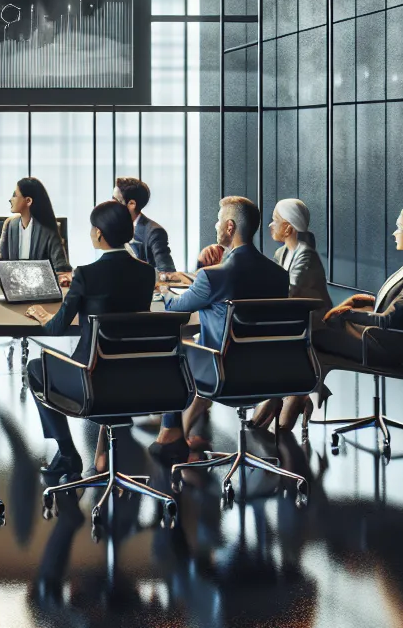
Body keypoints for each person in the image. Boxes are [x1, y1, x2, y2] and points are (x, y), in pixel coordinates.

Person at [22, 200, 156, 476]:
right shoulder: (146, 272)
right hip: (137, 379)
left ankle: (68, 453)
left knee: (35, 370)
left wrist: (41, 315)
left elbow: (57, 327)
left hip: (89, 380)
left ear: (99, 234)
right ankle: (106, 445)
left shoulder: (86, 274)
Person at [152, 196, 288, 459]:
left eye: (218, 220)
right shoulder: (279, 275)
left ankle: (169, 432)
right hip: (270, 373)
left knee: (173, 350)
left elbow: (176, 308)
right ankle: (189, 430)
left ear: (229, 227)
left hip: (224, 373)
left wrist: (165, 289)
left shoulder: (213, 276)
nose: (214, 225)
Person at [310, 204, 403, 362]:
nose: (395, 233)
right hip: (384, 340)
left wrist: (345, 314)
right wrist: (360, 301)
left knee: (317, 337)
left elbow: (388, 319)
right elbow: (393, 305)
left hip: (389, 348)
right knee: (321, 332)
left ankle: (314, 384)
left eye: (399, 227)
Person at [250, 198, 330, 430]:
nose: (270, 226)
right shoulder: (281, 252)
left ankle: (286, 394)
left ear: (289, 227)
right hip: (292, 320)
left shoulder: (306, 255)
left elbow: (289, 292)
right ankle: (290, 394)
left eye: (275, 221)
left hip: (311, 324)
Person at [0, 176, 71, 280]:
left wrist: (63, 278)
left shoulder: (48, 229)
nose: (10, 200)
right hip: (13, 285)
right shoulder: (10, 224)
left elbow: (61, 268)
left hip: (41, 287)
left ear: (28, 201)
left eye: (15, 195)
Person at [113, 177, 176, 274]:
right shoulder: (114, 226)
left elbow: (167, 271)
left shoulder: (154, 232)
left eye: (116, 201)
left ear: (132, 204)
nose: (111, 204)